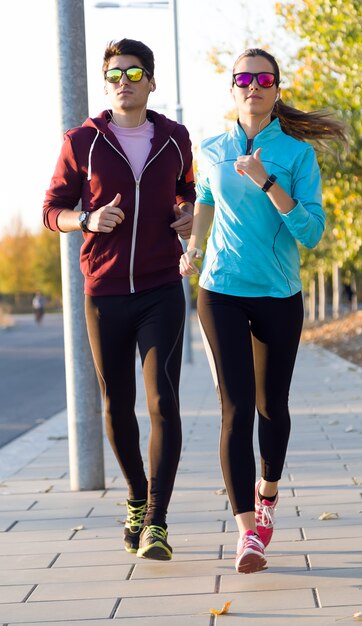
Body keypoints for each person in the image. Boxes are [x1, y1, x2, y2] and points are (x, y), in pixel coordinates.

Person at [180, 48, 347, 574]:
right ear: (232, 89)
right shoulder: (209, 147)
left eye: (263, 78)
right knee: (237, 408)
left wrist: (267, 182)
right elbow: (205, 198)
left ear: (276, 90)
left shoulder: (296, 156)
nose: (253, 85)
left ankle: (268, 489)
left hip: (278, 292)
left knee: (272, 404)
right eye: (244, 78)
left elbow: (312, 233)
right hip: (221, 289)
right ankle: (248, 532)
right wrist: (195, 248)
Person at [43, 39, 195, 561]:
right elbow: (52, 210)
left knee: (163, 401)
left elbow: (188, 191)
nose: (124, 81)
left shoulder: (174, 138)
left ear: (152, 81)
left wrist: (189, 212)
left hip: (160, 288)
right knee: (116, 404)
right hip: (103, 292)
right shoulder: (81, 140)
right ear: (105, 84)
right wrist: (85, 219)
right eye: (114, 74)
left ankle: (156, 520)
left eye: (134, 72)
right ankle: (135, 494)